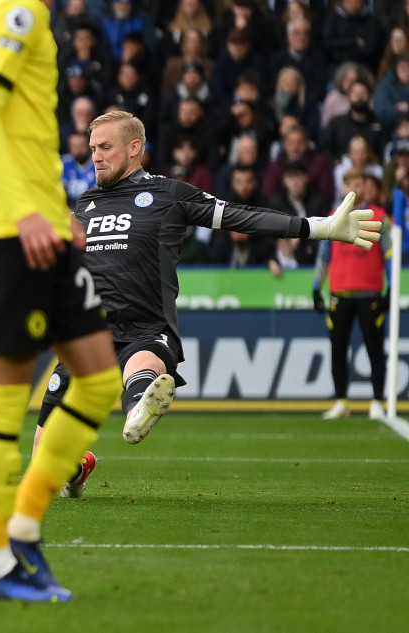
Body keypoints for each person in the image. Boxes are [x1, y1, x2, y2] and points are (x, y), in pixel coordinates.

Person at [38, 112, 380, 488]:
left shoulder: (171, 195)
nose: (96, 156)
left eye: (105, 147)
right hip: (86, 335)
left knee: (142, 364)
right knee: (44, 464)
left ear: (135, 148)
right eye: (92, 148)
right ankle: (78, 467)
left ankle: (138, 404)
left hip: (144, 328)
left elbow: (241, 217)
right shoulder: (85, 204)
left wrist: (320, 227)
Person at [0, 0, 122, 602]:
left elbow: (18, 128)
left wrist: (56, 212)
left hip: (42, 228)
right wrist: (26, 211)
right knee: (4, 393)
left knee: (99, 379)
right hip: (2, 230)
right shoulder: (19, 10)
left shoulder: (5, 7)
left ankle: (22, 524)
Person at [315, 168, 391, 420]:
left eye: (360, 183)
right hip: (339, 292)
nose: (355, 188)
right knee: (338, 348)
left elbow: (389, 255)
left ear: (366, 186)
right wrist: (317, 287)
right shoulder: (333, 216)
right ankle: (341, 401)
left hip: (369, 293)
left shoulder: (380, 217)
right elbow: (324, 256)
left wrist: (390, 288)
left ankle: (378, 401)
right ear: (343, 186)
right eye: (350, 183)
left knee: (374, 349)